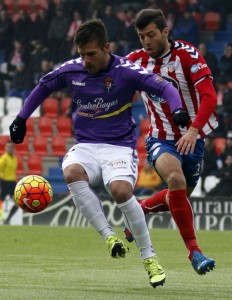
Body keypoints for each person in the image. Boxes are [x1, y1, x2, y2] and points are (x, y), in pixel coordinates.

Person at [9, 19, 189, 288]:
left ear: (106, 47)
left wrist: (176, 108)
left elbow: (165, 87)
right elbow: (43, 86)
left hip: (119, 146)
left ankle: (149, 257)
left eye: (91, 54)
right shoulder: (72, 70)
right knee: (71, 172)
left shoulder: (127, 71)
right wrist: (21, 118)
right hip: (85, 145)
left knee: (120, 191)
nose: (85, 61)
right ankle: (109, 236)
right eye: (81, 54)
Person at [125, 8, 217, 275]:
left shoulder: (187, 55)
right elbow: (109, 76)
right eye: (142, 36)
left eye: (151, 35)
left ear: (165, 31)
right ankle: (194, 252)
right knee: (175, 180)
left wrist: (193, 130)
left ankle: (139, 210)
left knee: (179, 198)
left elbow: (209, 96)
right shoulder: (134, 62)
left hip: (193, 138)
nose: (146, 41)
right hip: (160, 138)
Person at [0, 140, 19, 225]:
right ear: (5, 148)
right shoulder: (3, 159)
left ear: (13, 148)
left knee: (18, 203)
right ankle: (1, 219)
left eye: (11, 147)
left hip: (12, 183)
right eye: (8, 147)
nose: (9, 148)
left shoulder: (15, 159)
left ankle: (7, 220)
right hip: (3, 183)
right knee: (0, 203)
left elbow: (13, 172)